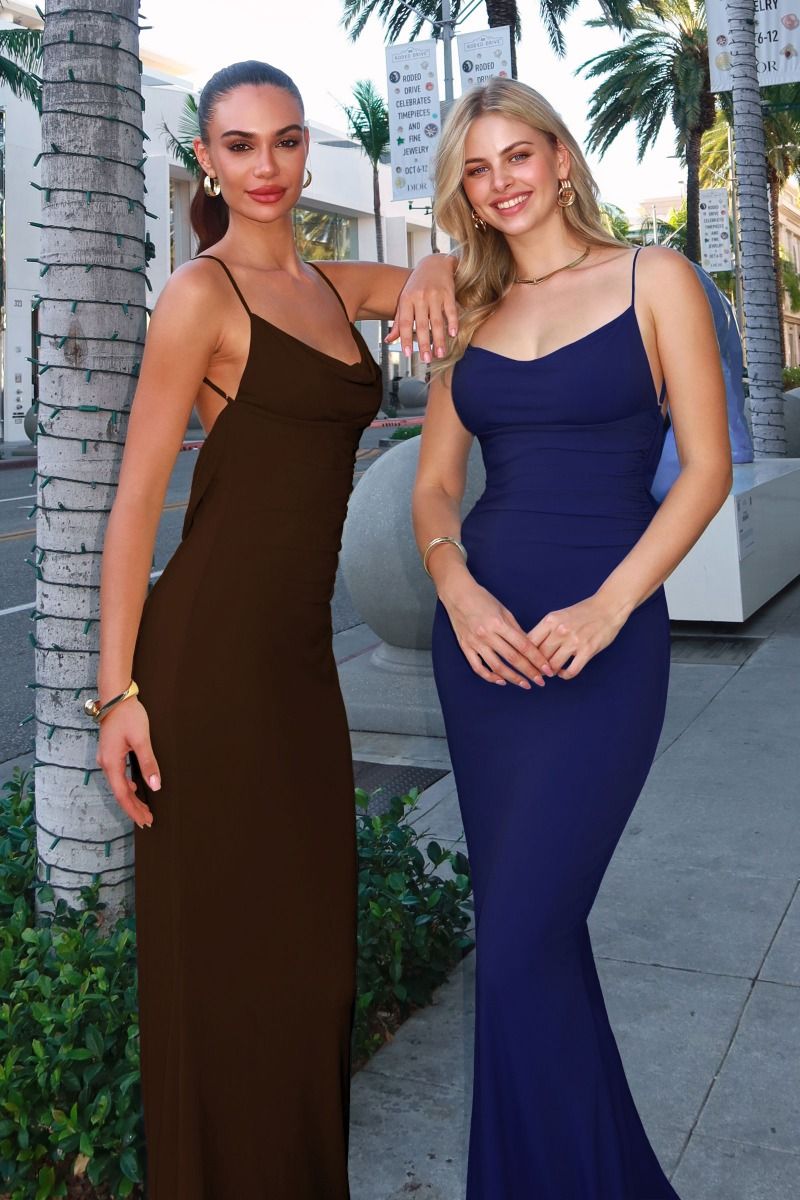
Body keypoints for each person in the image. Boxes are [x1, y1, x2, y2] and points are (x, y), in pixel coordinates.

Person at [91, 60, 457, 1200]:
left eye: (286, 142)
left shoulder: (326, 282)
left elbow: (437, 282)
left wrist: (438, 259)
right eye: (239, 145)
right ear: (207, 158)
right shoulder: (201, 296)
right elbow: (134, 504)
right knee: (224, 971)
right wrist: (116, 696)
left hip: (297, 671)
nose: (265, 166)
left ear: (306, 153)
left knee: (305, 971)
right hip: (201, 668)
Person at [411, 78, 731, 1199]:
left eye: (515, 156)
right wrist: (453, 589)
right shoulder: (469, 310)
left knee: (519, 942)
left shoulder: (655, 278)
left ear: (557, 156)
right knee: (525, 942)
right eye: (474, 169)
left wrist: (609, 604)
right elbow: (436, 485)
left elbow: (704, 468)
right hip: (484, 649)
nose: (497, 184)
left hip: (601, 650)